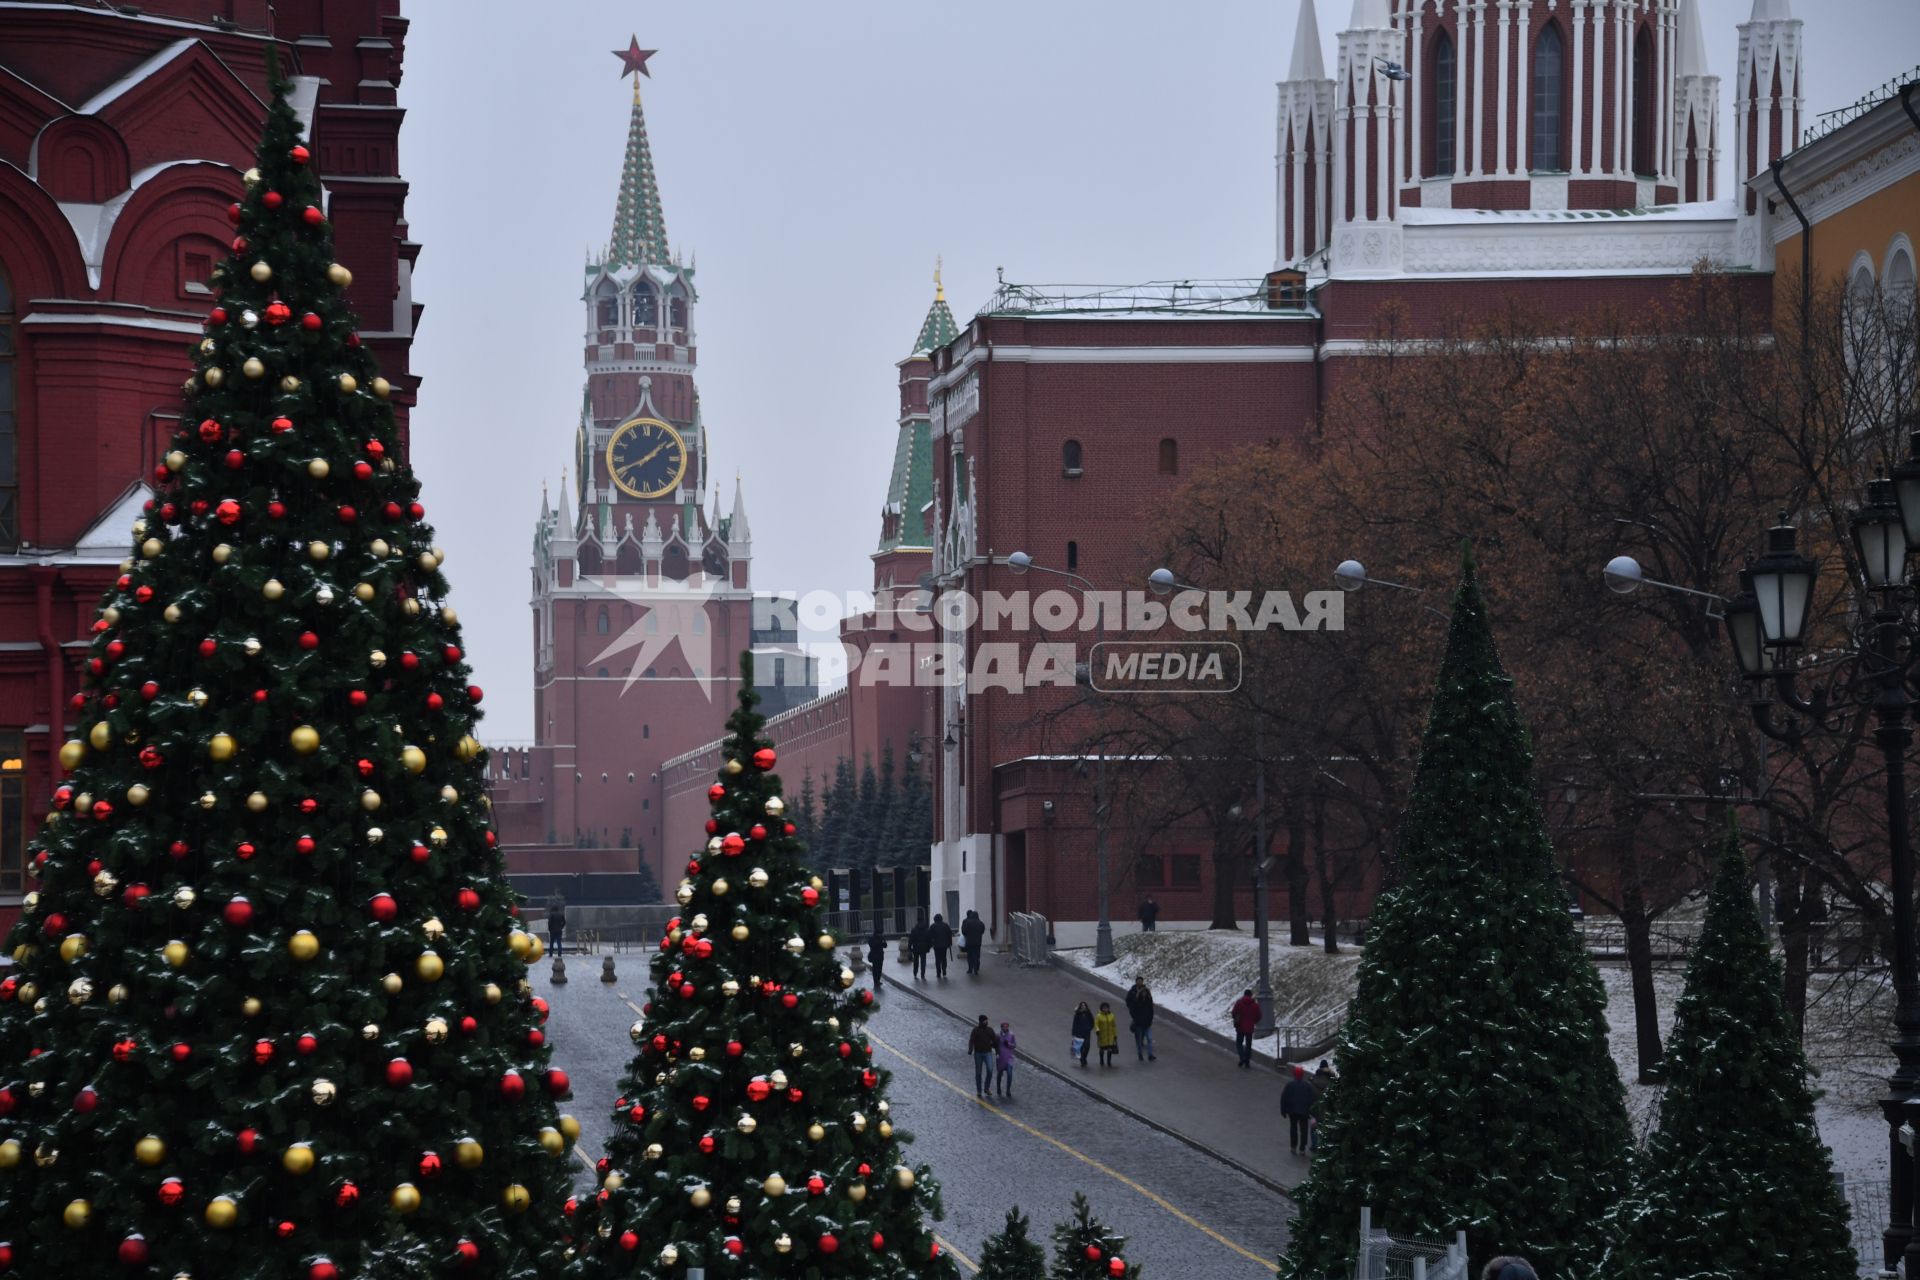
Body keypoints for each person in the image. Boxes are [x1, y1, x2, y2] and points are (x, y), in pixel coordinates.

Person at [1281, 1065, 1316, 1154]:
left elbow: (1284, 1098)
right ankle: (1302, 1148)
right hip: (1304, 1111)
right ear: (1302, 1075)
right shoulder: (1307, 1086)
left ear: (1294, 1074)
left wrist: (1283, 1110)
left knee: (1293, 1129)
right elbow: (1311, 1099)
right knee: (1304, 1130)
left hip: (1292, 1111)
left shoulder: (1290, 1085)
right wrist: (1312, 1112)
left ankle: (1293, 1146)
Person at [1125, 978, 1156, 1061]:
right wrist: (1135, 1018)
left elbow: (1151, 1010)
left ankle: (1150, 1055)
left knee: (1149, 1039)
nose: (1144, 994)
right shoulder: (1134, 995)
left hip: (1147, 1023)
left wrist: (1150, 1019)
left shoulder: (1148, 1000)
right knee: (1138, 1040)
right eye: (1143, 993)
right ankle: (1140, 1054)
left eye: (1145, 993)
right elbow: (1131, 1007)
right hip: (1138, 1023)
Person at [1228, 988, 1260, 1068]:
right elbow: (1259, 1015)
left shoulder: (1239, 1002)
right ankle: (1247, 1062)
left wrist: (1236, 1019)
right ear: (1251, 995)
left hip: (1240, 1027)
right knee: (1248, 1045)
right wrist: (1253, 1021)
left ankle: (1242, 1057)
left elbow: (1234, 1013)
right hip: (1249, 1028)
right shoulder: (1255, 1005)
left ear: (1244, 995)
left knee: (1239, 1043)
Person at [1309, 1059, 1336, 1150]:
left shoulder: (1314, 1080)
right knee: (1327, 1128)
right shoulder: (1332, 1082)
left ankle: (1314, 1146)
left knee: (1314, 1128)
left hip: (1316, 1108)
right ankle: (1326, 1146)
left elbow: (1310, 1094)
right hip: (1327, 1109)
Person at [968, 1014, 997, 1097]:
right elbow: (971, 1040)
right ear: (981, 1021)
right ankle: (979, 1090)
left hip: (988, 1052)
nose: (986, 1022)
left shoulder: (990, 1030)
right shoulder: (975, 1030)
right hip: (978, 1053)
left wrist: (996, 1048)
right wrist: (970, 1049)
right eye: (985, 1021)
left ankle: (986, 1088)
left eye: (987, 1020)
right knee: (978, 1072)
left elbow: (995, 1039)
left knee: (990, 1069)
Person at [994, 1020, 1017, 1098]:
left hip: (1009, 1057)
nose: (1006, 1028)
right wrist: (997, 1053)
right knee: (1000, 1074)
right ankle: (998, 1088)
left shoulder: (1011, 1035)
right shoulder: (997, 1036)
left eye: (1007, 1026)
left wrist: (1009, 1044)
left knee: (1010, 1074)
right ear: (1001, 1027)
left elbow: (1014, 1045)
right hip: (1001, 1057)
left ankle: (1008, 1090)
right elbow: (995, 1045)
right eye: (1004, 1026)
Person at [1093, 1002, 1120, 1067]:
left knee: (1110, 1049)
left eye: (1106, 1008)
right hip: (1102, 1035)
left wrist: (1115, 1034)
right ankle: (1101, 1060)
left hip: (1110, 1035)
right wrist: (1097, 1030)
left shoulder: (1112, 1015)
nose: (1105, 1009)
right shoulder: (1099, 1016)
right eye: (1104, 1008)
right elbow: (1096, 1024)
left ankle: (1109, 1061)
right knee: (1102, 1049)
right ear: (1101, 1009)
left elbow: (1114, 1026)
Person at [960, 909, 987, 975]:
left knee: (970, 955)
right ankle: (976, 968)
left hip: (969, 942)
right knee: (977, 955)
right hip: (978, 942)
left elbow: (964, 931)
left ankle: (970, 969)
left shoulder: (967, 922)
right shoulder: (980, 923)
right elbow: (982, 931)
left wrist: (967, 935)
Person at [928, 913, 954, 979]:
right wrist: (950, 943)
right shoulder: (946, 925)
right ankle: (944, 969)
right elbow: (949, 934)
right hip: (944, 945)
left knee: (937, 959)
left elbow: (929, 936)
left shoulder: (933, 926)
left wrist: (930, 944)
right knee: (944, 958)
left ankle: (938, 972)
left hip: (936, 945)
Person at [1070, 1000, 1095, 1067]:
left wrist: (1089, 1028)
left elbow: (1092, 1022)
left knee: (1087, 1046)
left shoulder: (1088, 1013)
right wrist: (1074, 1033)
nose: (1083, 1006)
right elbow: (1075, 1024)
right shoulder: (1078, 1014)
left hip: (1087, 1033)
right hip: (1079, 1033)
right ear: (1080, 1007)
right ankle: (1082, 1059)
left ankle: (1084, 1057)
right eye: (1082, 1005)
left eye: (1084, 1005)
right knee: (1081, 1047)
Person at [867, 926, 887, 991]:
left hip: (880, 955)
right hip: (874, 956)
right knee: (875, 969)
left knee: (880, 969)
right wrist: (879, 942)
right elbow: (871, 945)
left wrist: (883, 940)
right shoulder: (872, 938)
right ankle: (876, 981)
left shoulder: (881, 938)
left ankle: (878, 980)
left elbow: (885, 945)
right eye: (880, 933)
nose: (881, 934)